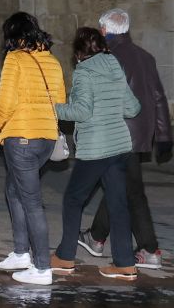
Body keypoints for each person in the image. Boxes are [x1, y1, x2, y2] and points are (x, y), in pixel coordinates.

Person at [79, 7, 174, 269]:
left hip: (115, 135)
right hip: (138, 136)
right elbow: (158, 98)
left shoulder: (106, 59)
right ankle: (96, 237)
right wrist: (164, 136)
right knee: (120, 185)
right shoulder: (146, 57)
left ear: (104, 30)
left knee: (132, 193)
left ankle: (149, 249)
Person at [50, 26, 141, 282]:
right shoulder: (114, 64)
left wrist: (53, 108)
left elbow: (81, 112)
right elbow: (133, 108)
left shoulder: (84, 72)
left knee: (72, 199)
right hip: (119, 146)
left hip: (95, 148)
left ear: (79, 52)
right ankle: (125, 264)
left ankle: (65, 257)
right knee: (118, 204)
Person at [0, 11, 66, 286]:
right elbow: (60, 102)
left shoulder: (15, 59)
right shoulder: (53, 62)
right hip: (45, 138)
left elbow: (5, 102)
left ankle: (42, 267)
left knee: (31, 201)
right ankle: (21, 252)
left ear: (13, 35)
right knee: (14, 189)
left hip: (21, 136)